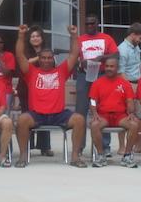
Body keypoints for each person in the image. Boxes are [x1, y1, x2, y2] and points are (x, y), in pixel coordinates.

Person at [14, 24, 87, 168]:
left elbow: (73, 54)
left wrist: (74, 36)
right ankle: (23, 156)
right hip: (37, 114)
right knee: (22, 120)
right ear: (39, 59)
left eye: (49, 58)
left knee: (79, 119)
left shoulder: (61, 71)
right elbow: (20, 56)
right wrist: (21, 36)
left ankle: (75, 157)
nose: (46, 60)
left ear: (53, 59)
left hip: (58, 114)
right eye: (43, 58)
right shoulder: (31, 72)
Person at [75, 14, 118, 155]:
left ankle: (104, 147)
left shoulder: (106, 38)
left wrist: (101, 58)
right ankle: (79, 147)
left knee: (102, 110)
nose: (89, 26)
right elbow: (72, 57)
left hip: (102, 75)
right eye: (87, 24)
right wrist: (81, 63)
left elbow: (116, 55)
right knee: (80, 111)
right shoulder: (80, 39)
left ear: (97, 24)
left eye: (92, 23)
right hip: (84, 76)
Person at [88, 56, 139, 168]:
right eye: (107, 66)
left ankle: (127, 156)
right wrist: (94, 113)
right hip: (103, 115)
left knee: (134, 124)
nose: (109, 68)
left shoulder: (125, 83)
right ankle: (101, 156)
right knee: (94, 125)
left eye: (112, 66)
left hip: (120, 116)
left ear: (117, 68)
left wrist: (131, 113)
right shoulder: (97, 83)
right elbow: (92, 100)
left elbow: (130, 101)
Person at [15, 25, 52, 156]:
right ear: (29, 39)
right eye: (32, 36)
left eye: (37, 36)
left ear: (42, 38)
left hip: (44, 89)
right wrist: (40, 56)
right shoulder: (24, 50)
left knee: (44, 115)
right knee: (27, 117)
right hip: (26, 89)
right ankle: (27, 147)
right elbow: (26, 63)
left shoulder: (48, 51)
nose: (35, 38)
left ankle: (44, 147)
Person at [115, 22, 141, 154]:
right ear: (133, 35)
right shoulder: (122, 50)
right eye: (140, 38)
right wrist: (128, 90)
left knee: (138, 116)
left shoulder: (135, 47)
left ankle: (136, 144)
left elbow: (139, 65)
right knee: (125, 116)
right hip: (127, 84)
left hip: (138, 84)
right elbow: (120, 73)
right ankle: (122, 147)